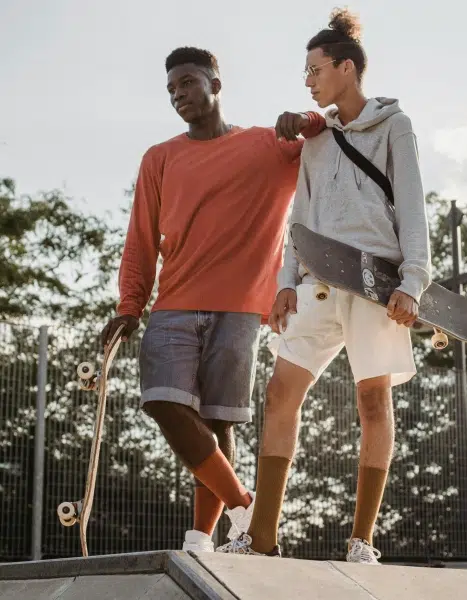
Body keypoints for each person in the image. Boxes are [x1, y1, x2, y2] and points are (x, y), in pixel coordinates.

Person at [216, 9, 432, 564]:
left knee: (372, 400)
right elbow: (300, 216)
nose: (307, 80)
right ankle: (261, 537)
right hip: (315, 281)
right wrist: (284, 280)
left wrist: (413, 281)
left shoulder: (395, 125)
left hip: (373, 281)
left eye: (314, 69)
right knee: (280, 394)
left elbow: (412, 209)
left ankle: (362, 542)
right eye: (305, 71)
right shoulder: (316, 136)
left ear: (346, 67)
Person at [101, 46, 326, 554]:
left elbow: (327, 127)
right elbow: (140, 239)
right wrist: (129, 306)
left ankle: (201, 538)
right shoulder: (159, 157)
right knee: (162, 401)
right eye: (171, 89)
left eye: (186, 82)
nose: (178, 94)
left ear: (215, 84)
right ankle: (246, 505)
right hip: (174, 303)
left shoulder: (267, 145)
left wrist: (305, 116)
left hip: (241, 307)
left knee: (218, 421)